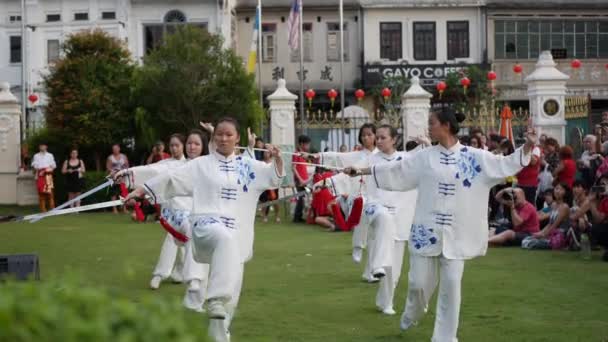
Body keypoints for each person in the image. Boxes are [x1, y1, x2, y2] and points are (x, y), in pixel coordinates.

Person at [347, 109, 535, 341]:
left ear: (446, 125)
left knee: (452, 286)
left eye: (432, 123)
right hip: (426, 231)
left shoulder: (475, 156)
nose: (428, 128)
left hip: (457, 234)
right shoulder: (424, 157)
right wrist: (361, 171)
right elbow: (395, 170)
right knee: (417, 284)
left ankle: (445, 337)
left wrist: (527, 146)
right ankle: (412, 312)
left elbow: (505, 164)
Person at [126, 118, 284, 341]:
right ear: (214, 137)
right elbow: (171, 179)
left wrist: (277, 158)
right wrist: (142, 190)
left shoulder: (250, 166)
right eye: (219, 134)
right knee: (224, 240)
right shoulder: (201, 165)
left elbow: (274, 178)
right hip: (205, 226)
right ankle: (215, 298)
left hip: (238, 237)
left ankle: (219, 332)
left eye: (229, 134)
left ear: (237, 138)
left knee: (228, 307)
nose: (223, 138)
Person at [117, 132, 210, 312]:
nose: (190, 147)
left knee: (198, 247)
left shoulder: (206, 165)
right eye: (189, 143)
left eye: (196, 144)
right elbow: (152, 171)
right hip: (175, 215)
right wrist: (128, 175)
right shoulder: (171, 166)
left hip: (197, 216)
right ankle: (164, 275)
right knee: (187, 235)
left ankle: (188, 285)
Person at [364, 124, 418, 316]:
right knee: (384, 218)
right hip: (376, 207)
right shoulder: (371, 159)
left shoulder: (407, 159)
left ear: (394, 139)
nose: (378, 141)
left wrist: (426, 143)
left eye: (382, 138)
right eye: (377, 138)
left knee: (394, 270)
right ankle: (376, 266)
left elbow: (427, 160)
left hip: (402, 216)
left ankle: (385, 302)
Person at [315, 123, 378, 281]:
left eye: (369, 134)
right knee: (361, 210)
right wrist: (318, 157)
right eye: (363, 135)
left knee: (375, 236)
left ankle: (370, 272)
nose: (366, 137)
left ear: (376, 136)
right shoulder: (356, 155)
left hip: (376, 197)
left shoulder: (379, 156)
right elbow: (338, 157)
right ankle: (357, 245)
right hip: (357, 196)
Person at [523, 183, 572, 250]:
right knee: (526, 239)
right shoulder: (553, 205)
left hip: (559, 236)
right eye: (556, 188)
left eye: (561, 189)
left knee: (531, 243)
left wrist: (543, 235)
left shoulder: (565, 207)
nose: (557, 191)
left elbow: (555, 225)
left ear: (565, 192)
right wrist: (541, 233)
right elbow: (550, 223)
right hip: (550, 234)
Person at [31, 142, 57, 212]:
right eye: (40, 146)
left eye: (43, 146)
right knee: (41, 193)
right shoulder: (36, 156)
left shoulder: (50, 155)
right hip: (40, 175)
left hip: (48, 175)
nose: (42, 147)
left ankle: (52, 208)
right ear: (39, 147)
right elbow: (34, 165)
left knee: (50, 192)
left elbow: (54, 166)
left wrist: (46, 170)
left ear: (46, 147)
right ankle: (43, 209)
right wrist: (37, 169)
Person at [292, 135, 311, 223]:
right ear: (302, 144)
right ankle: (297, 217)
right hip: (300, 180)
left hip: (304, 180)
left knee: (302, 198)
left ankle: (298, 216)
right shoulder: (296, 153)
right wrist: (300, 179)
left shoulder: (303, 154)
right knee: (300, 198)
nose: (308, 146)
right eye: (307, 144)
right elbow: (293, 167)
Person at [106, 144, 130, 214]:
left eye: (116, 148)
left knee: (123, 193)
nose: (115, 150)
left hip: (122, 177)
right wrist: (113, 173)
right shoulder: (110, 157)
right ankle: (114, 209)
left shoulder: (123, 156)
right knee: (113, 194)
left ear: (119, 149)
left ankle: (124, 208)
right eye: (113, 149)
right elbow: (108, 167)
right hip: (113, 177)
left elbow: (127, 165)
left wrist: (124, 172)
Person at [516, 140, 542, 205]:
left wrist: (527, 150)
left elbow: (533, 162)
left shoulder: (535, 149)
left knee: (529, 204)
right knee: (519, 204)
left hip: (530, 184)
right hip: (520, 182)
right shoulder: (520, 149)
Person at [259, 149, 281, 223]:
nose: (266, 154)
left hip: (273, 184)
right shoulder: (260, 163)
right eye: (265, 152)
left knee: (275, 201)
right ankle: (264, 216)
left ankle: (277, 215)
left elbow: (278, 172)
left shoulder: (273, 162)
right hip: (264, 184)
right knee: (264, 201)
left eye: (267, 152)